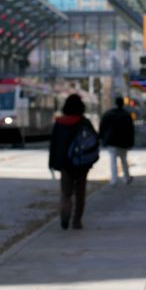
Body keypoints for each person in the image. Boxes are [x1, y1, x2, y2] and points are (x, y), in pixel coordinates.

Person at [49, 94, 98, 229]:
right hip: (82, 164)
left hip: (65, 164)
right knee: (80, 193)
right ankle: (77, 221)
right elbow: (94, 141)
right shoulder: (84, 122)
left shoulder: (59, 123)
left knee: (66, 193)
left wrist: (52, 163)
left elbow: (54, 145)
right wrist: (91, 160)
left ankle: (65, 219)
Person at [98, 96, 135, 185]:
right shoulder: (126, 115)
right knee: (124, 160)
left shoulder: (109, 114)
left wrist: (102, 138)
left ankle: (114, 180)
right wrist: (131, 142)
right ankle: (126, 178)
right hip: (123, 141)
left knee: (113, 160)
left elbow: (102, 127)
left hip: (112, 141)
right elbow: (131, 130)